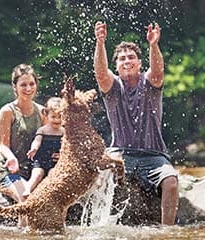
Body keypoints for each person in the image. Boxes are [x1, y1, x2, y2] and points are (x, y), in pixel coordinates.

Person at [93, 21, 179, 225]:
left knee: (171, 182)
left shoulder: (150, 83)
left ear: (140, 63)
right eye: (122, 59)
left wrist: (153, 45)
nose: (126, 61)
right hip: (120, 154)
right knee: (101, 176)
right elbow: (100, 73)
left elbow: (158, 71)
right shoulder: (112, 86)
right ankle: (99, 226)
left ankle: (167, 232)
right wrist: (100, 42)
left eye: (131, 57)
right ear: (116, 66)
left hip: (154, 155)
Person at [0, 63, 46, 207]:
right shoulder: (7, 111)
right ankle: (24, 230)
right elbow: (3, 146)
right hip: (11, 172)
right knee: (26, 197)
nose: (28, 88)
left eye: (32, 84)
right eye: (23, 85)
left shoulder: (42, 112)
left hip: (35, 172)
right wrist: (11, 158)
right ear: (15, 87)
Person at [23, 97, 65, 197]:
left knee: (53, 174)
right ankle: (28, 189)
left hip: (55, 162)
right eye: (53, 116)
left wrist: (61, 154)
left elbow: (66, 146)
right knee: (37, 174)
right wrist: (34, 149)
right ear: (46, 115)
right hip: (41, 160)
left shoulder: (64, 131)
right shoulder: (43, 130)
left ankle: (48, 193)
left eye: (60, 116)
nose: (57, 120)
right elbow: (37, 141)